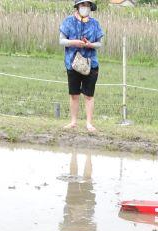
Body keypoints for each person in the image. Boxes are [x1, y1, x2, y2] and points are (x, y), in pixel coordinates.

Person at [60, 1, 104, 132]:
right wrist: (74, 42)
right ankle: (73, 122)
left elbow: (100, 43)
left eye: (87, 5)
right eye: (82, 5)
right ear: (77, 7)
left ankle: (89, 123)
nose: (85, 7)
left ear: (90, 8)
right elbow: (61, 40)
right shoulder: (68, 21)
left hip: (91, 64)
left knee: (89, 95)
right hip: (72, 63)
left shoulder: (95, 24)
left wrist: (90, 44)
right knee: (74, 94)